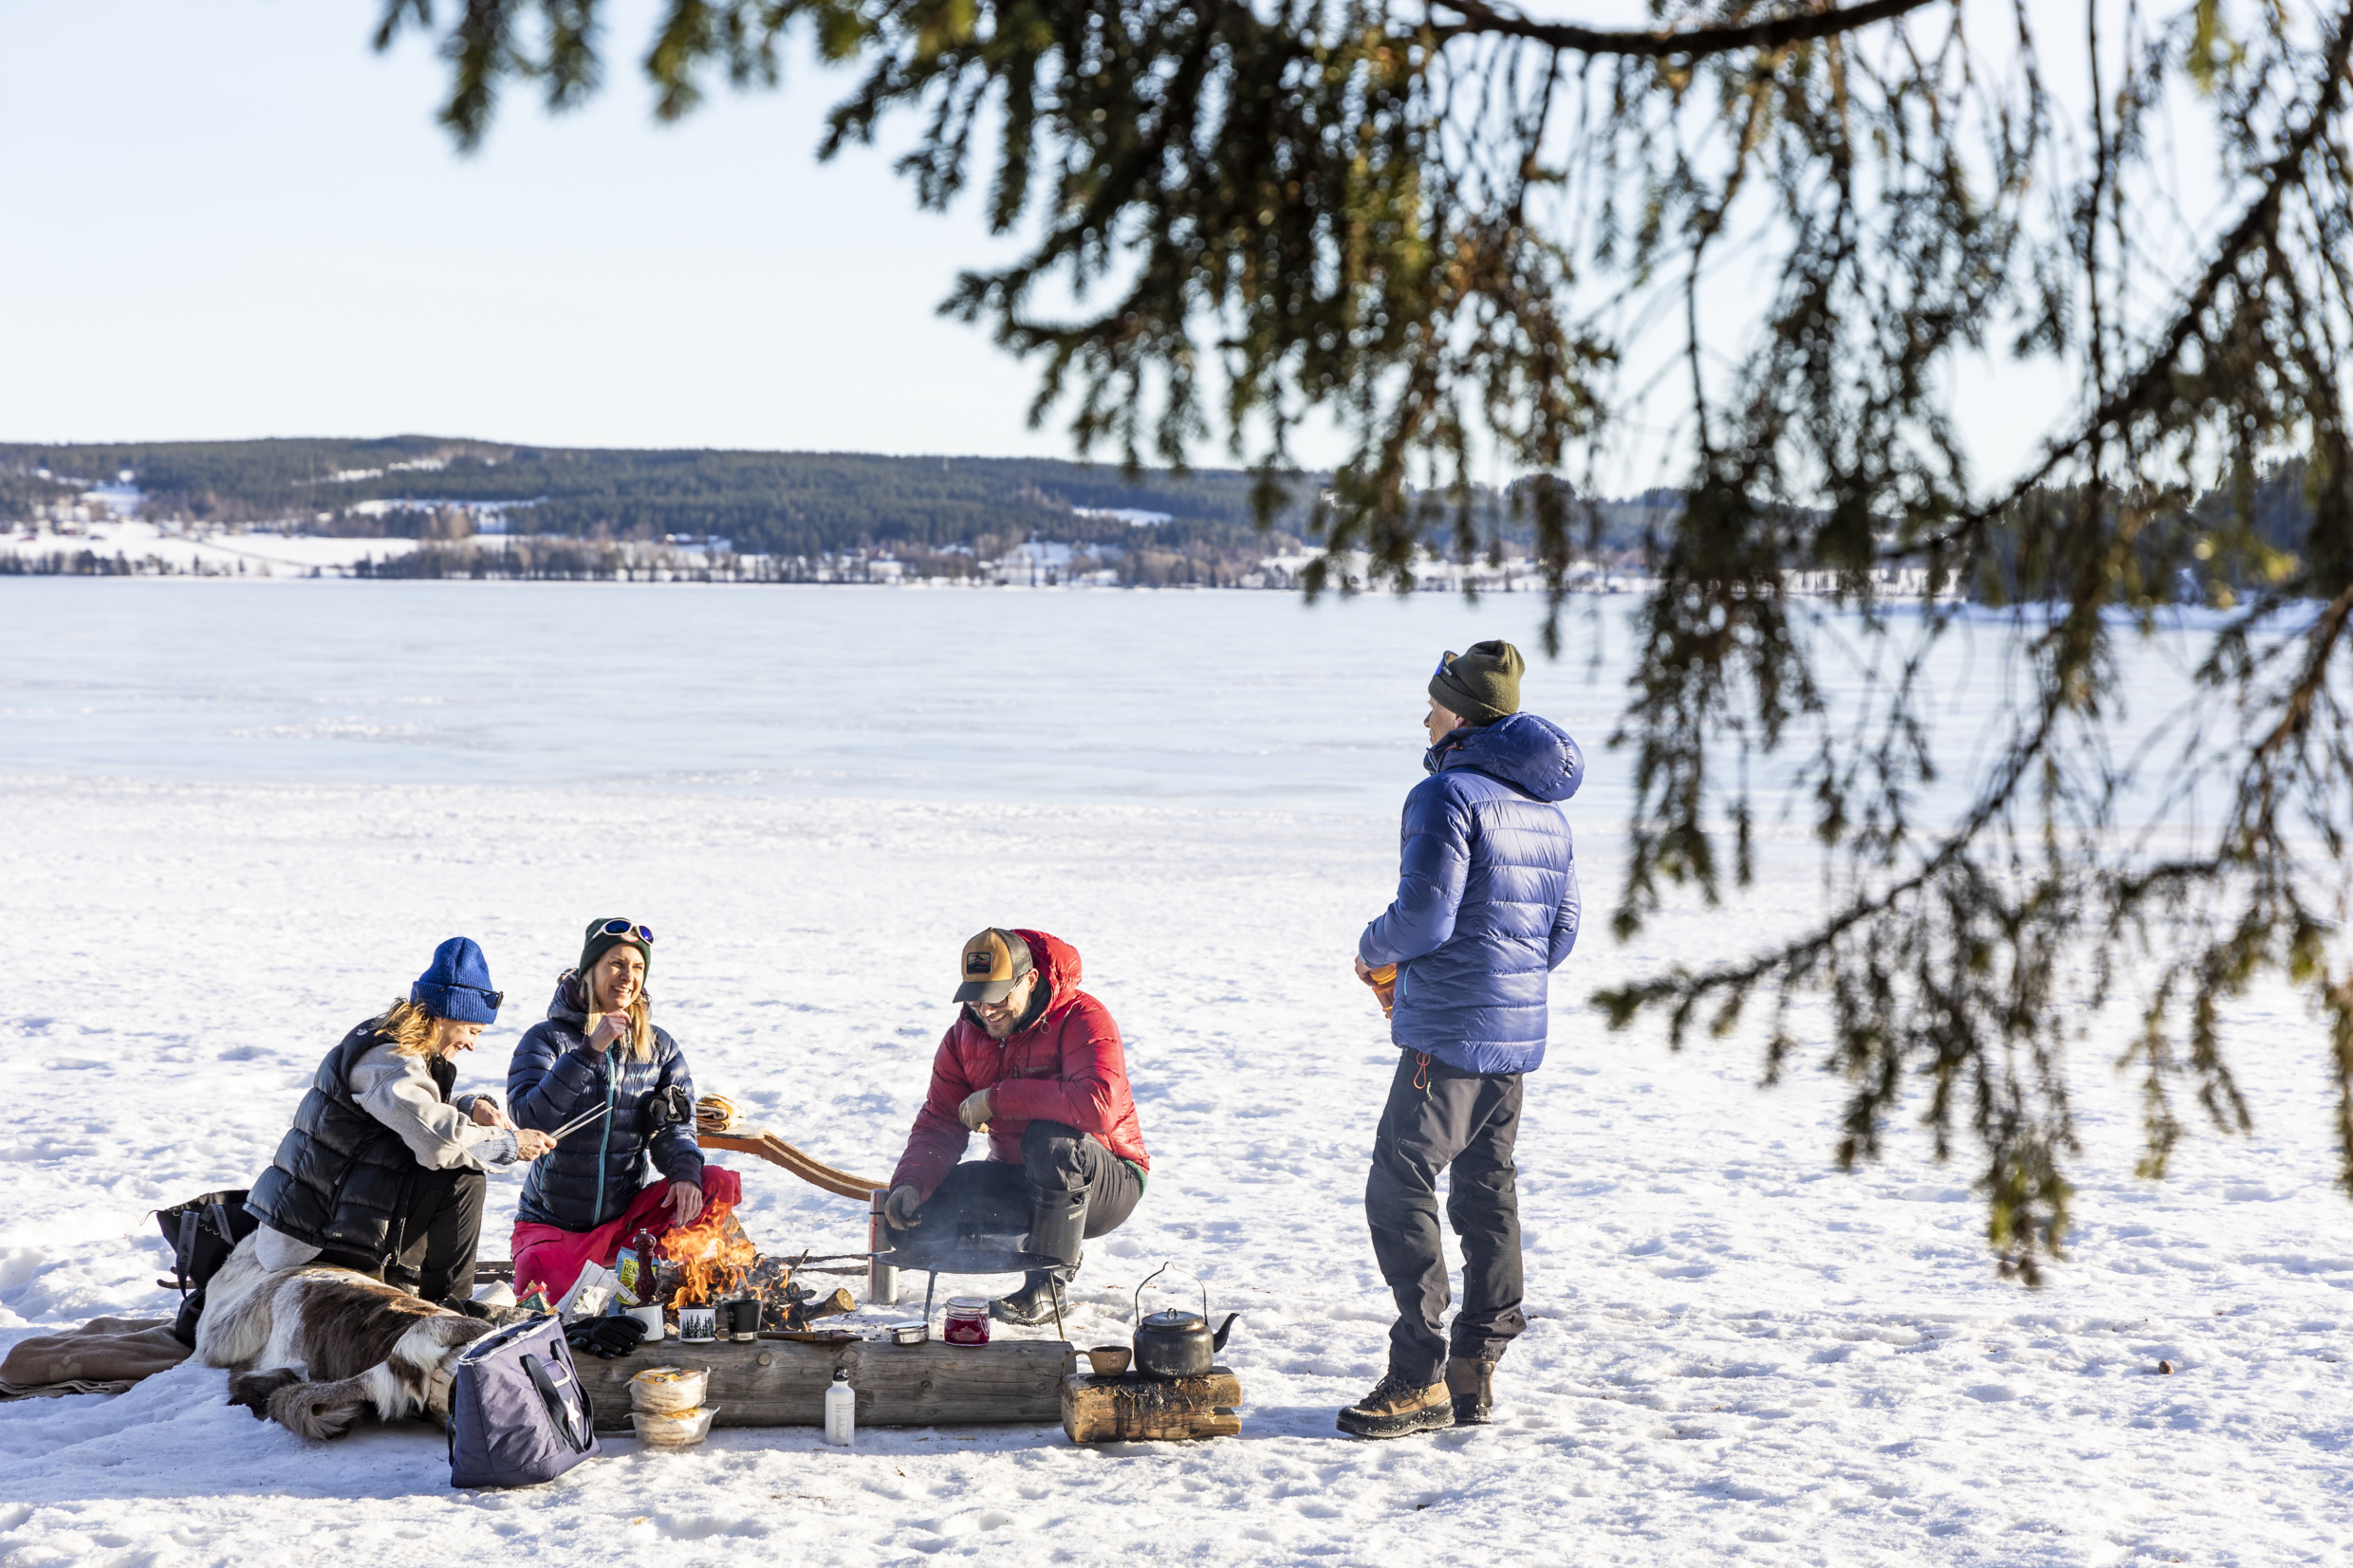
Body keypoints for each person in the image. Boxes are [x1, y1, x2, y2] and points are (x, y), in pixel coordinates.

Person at [1338, 639, 1583, 1439]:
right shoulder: (1546, 812)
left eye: (1435, 702)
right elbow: (1563, 931)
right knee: (1487, 1186)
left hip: (1447, 1034)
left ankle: (1417, 1374)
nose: (1424, 715)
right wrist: (1506, 983)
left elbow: (1424, 920)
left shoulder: (1444, 796)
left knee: (1398, 1180)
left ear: (1463, 717)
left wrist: (1372, 948)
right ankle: (1473, 1372)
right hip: (1514, 1036)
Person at [245, 938, 554, 1313]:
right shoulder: (389, 1060)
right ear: (443, 1016)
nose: (472, 1044)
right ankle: (449, 1312)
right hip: (310, 1239)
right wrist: (509, 1143)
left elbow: (409, 1113)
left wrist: (469, 1108)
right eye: (472, 1030)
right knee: (460, 1178)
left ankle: (441, 1304)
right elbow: (438, 1142)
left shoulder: (390, 1043)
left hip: (330, 1217)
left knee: (452, 1170)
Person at [881, 928, 1149, 1325]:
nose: (986, 1010)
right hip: (1018, 1174)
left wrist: (997, 1098)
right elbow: (939, 1122)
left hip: (1106, 1181)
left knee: (1050, 1141)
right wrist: (909, 1184)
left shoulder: (1083, 1017)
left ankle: (1047, 1282)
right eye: (976, 998)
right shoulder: (962, 1037)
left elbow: (1098, 1106)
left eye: (999, 996)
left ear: (1031, 981)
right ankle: (1045, 1240)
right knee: (916, 1220)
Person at [506, 918, 713, 1301]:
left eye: (637, 967)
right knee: (550, 1304)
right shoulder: (546, 1038)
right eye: (616, 964)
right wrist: (589, 1051)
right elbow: (530, 1119)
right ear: (590, 970)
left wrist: (684, 1172)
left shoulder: (658, 1047)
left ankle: (680, 1283)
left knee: (712, 1183)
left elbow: (675, 1127)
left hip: (626, 1221)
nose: (627, 977)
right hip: (554, 1221)